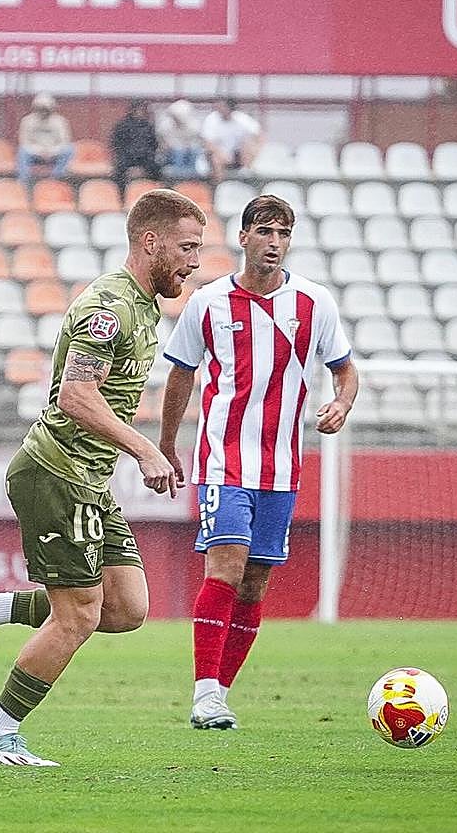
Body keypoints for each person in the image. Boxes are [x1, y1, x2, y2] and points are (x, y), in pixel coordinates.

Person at [0, 189, 205, 766]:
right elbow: (75, 395)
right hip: (55, 472)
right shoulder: (107, 309)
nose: (194, 261)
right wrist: (144, 450)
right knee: (80, 614)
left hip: (88, 480)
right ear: (150, 241)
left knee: (125, 608)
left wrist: (160, 444)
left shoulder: (145, 307)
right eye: (187, 247)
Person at [159, 195, 359, 730]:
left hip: (281, 466)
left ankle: (219, 696)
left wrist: (340, 402)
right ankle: (203, 691)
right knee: (224, 567)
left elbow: (345, 370)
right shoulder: (207, 302)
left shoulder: (315, 304)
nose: (275, 241)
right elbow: (180, 374)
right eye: (265, 231)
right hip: (222, 459)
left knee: (255, 584)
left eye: (284, 232)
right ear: (244, 237)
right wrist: (167, 442)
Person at [200, 99, 263, 183]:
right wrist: (223, 155)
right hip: (219, 156)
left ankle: (246, 174)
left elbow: (259, 134)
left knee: (248, 143)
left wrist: (256, 150)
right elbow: (208, 143)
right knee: (215, 158)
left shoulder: (242, 119)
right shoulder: (211, 119)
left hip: (237, 156)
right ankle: (218, 184)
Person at [16, 93, 73, 185]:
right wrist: (39, 150)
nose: (43, 110)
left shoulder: (60, 121)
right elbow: (24, 141)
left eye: (45, 108)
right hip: (34, 152)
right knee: (22, 151)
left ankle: (57, 177)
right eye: (40, 107)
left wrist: (51, 151)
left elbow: (64, 141)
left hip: (54, 152)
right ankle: (24, 181)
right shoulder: (27, 121)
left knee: (69, 149)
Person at [110, 99, 160, 194]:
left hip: (145, 157)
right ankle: (121, 195)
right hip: (127, 157)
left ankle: (154, 192)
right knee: (119, 171)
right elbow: (116, 144)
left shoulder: (147, 126)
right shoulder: (122, 125)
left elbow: (154, 144)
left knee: (156, 169)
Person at [156, 99, 203, 180]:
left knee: (194, 151)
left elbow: (196, 144)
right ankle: (178, 174)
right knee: (178, 152)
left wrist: (185, 147)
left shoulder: (193, 127)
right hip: (172, 155)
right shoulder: (166, 126)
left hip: (189, 155)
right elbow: (163, 143)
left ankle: (191, 174)